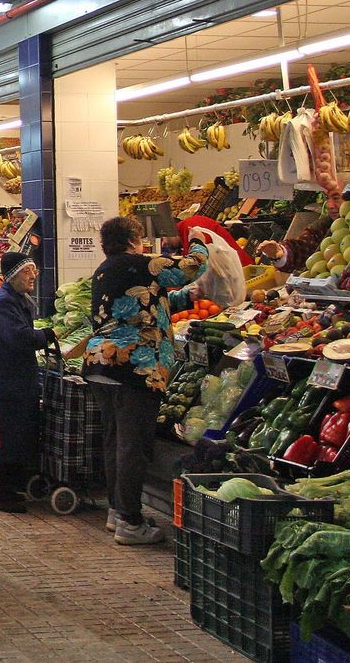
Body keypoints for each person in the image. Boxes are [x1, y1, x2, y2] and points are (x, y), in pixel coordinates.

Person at [84, 215, 208, 545]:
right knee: (132, 444)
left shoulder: (107, 269)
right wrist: (199, 240)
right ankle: (130, 521)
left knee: (116, 440)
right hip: (134, 367)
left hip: (102, 364)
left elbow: (147, 303)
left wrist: (191, 296)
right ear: (134, 240)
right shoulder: (139, 263)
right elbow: (191, 266)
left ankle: (117, 510)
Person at [0, 251, 55, 513]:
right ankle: (1, 493)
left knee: (15, 433)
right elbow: (19, 338)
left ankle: (10, 487)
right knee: (5, 435)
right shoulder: (2, 302)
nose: (33, 276)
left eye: (34, 270)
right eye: (27, 271)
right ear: (12, 275)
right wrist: (45, 336)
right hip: (2, 383)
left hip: (14, 380)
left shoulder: (15, 299)